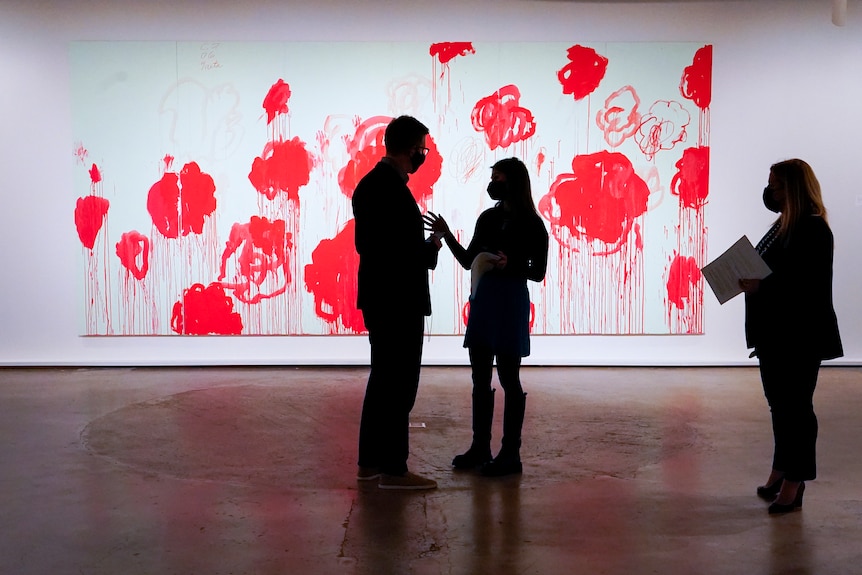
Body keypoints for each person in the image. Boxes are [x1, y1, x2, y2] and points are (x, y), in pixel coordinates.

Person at [426, 157, 549, 476]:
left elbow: (538, 273)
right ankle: (480, 446)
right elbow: (469, 260)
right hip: (485, 301)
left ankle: (511, 453)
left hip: (510, 303)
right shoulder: (488, 219)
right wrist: (447, 235)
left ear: (514, 183)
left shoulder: (533, 225)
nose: (493, 183)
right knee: (480, 377)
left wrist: (514, 264)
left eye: (498, 177)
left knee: (509, 377)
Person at [739, 158, 842, 514]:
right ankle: (780, 471)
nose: (770, 192)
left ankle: (795, 484)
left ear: (794, 188)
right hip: (775, 335)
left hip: (798, 337)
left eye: (777, 186)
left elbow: (806, 288)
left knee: (796, 410)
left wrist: (759, 284)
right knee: (780, 407)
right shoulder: (782, 225)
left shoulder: (813, 230)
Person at [352, 115, 442, 490]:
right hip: (398, 301)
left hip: (380, 297)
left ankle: (370, 463)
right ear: (410, 148)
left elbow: (373, 247)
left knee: (382, 382)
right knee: (399, 385)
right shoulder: (392, 190)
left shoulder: (369, 186)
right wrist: (430, 248)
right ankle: (393, 469)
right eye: (422, 147)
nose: (424, 154)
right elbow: (400, 254)